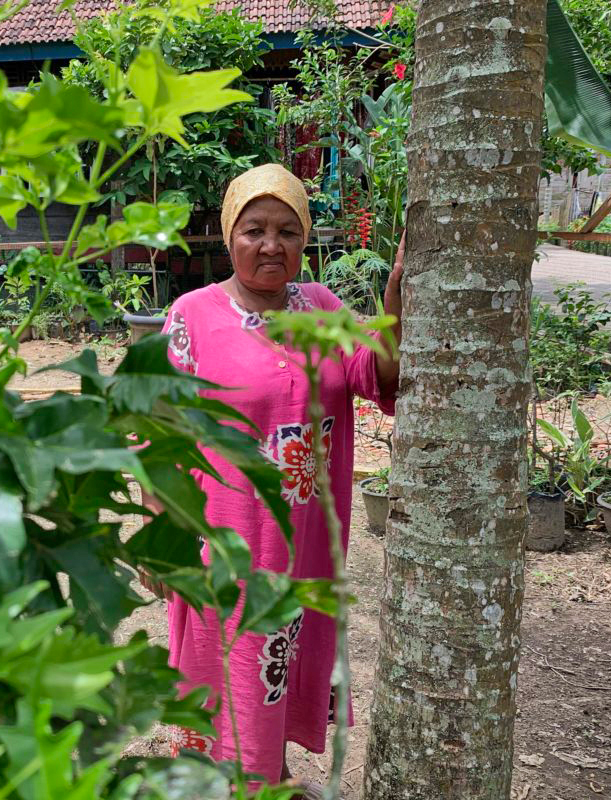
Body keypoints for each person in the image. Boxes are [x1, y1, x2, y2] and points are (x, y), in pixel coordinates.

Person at [154, 163, 404, 788]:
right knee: (231, 670)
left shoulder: (320, 306)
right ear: (228, 235)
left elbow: (380, 377)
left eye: (288, 231)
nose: (271, 245)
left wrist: (398, 294)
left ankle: (272, 775)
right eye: (255, 229)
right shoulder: (192, 316)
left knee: (281, 671)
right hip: (229, 543)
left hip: (308, 543)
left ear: (305, 240)